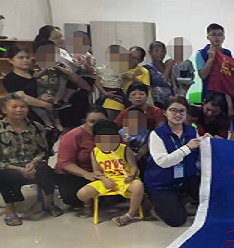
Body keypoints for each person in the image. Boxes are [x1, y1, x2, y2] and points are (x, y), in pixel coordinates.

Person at [0, 94, 63, 226]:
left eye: (23, 106)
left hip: (32, 165)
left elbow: (43, 151)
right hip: (8, 167)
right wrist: (18, 169)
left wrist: (33, 163)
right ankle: (10, 211)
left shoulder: (36, 127)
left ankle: (49, 203)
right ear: (4, 109)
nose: (19, 110)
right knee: (5, 176)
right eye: (14, 107)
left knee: (45, 170)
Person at [144, 96, 208, 227]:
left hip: (186, 178)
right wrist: (187, 148)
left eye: (181, 111)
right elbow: (163, 162)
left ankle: (180, 198)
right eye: (173, 110)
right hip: (162, 183)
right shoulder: (156, 134)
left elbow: (201, 152)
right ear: (165, 112)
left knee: (214, 195)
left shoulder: (192, 131)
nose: (177, 114)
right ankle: (156, 201)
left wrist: (208, 142)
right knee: (177, 220)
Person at [75, 121, 144, 227]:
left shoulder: (124, 149)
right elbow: (96, 171)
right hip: (107, 179)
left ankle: (130, 214)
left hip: (124, 179)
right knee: (81, 194)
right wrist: (104, 180)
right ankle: (88, 205)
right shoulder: (95, 152)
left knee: (138, 186)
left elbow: (133, 166)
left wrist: (131, 176)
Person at [55, 106, 108, 214]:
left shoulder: (111, 132)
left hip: (105, 171)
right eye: (92, 121)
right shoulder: (72, 136)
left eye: (101, 121)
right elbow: (64, 163)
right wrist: (86, 174)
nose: (97, 124)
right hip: (76, 173)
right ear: (85, 121)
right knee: (73, 198)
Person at [2, 46, 54, 126]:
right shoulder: (10, 78)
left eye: (27, 57)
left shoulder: (31, 73)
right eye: (20, 58)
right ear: (10, 60)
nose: (25, 60)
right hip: (27, 113)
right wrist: (45, 105)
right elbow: (22, 97)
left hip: (42, 107)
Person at [195, 23, 233, 99]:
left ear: (223, 37)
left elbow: (230, 75)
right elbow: (203, 76)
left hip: (225, 93)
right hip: (209, 93)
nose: (217, 37)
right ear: (208, 37)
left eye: (220, 35)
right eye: (214, 35)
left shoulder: (227, 53)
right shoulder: (201, 53)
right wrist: (210, 59)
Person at [95, 44, 131, 120]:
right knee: (98, 105)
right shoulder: (102, 68)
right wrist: (105, 93)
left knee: (128, 103)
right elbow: (97, 82)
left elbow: (127, 75)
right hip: (106, 89)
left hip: (118, 89)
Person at [119, 108, 150, 174]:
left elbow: (145, 148)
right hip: (125, 157)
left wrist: (138, 156)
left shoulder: (146, 132)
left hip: (140, 158)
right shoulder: (121, 132)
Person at [144, 42, 175, 108]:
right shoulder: (147, 68)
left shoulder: (168, 66)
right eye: (156, 51)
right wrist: (167, 68)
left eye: (162, 51)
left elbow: (175, 84)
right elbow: (161, 81)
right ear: (150, 52)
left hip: (172, 102)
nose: (160, 53)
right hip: (156, 103)